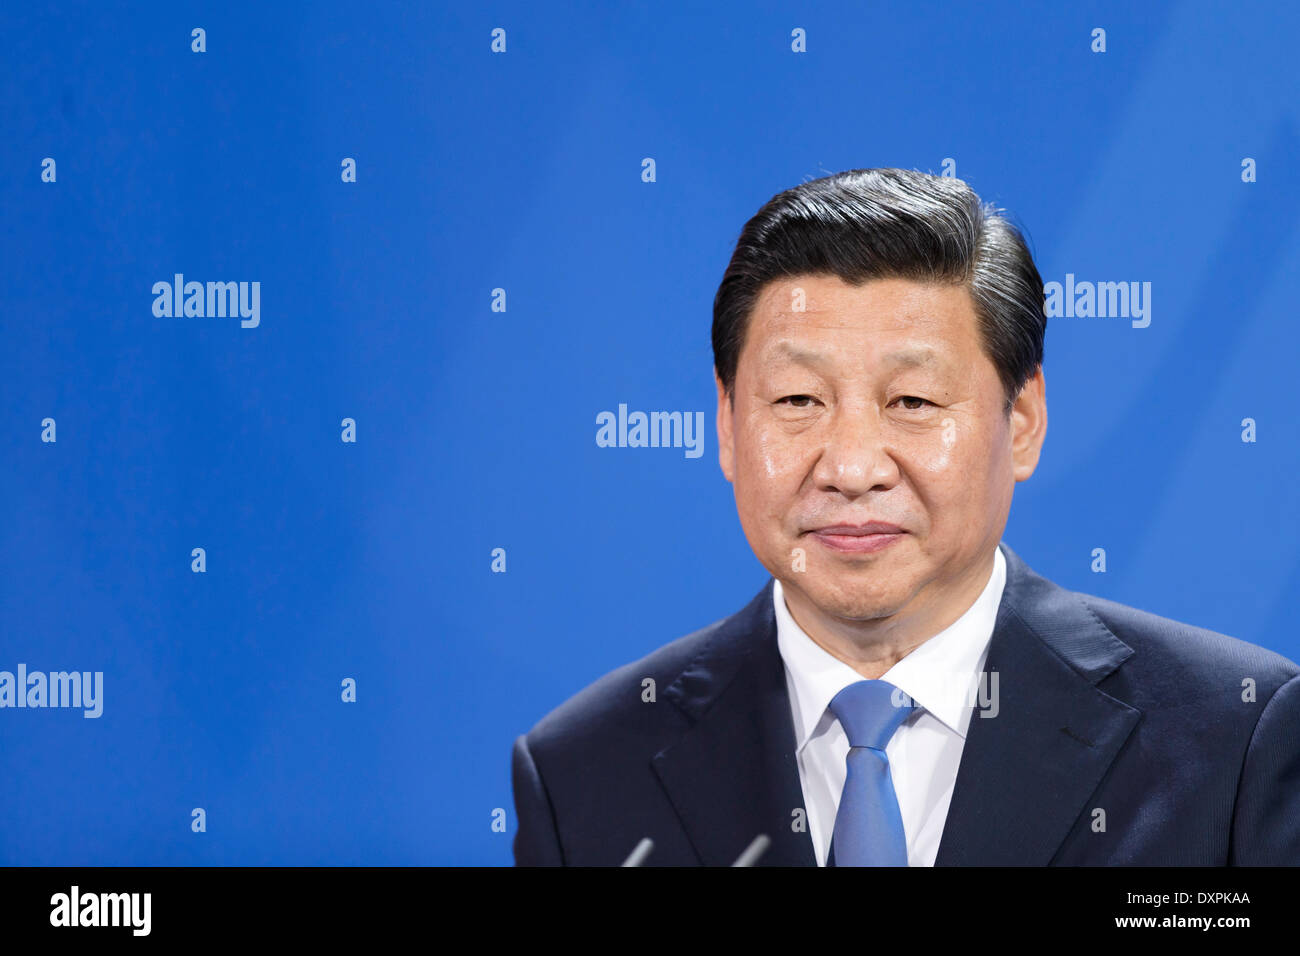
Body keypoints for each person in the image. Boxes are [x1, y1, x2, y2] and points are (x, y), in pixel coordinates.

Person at [511, 168, 1300, 866]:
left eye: (913, 401)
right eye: (798, 400)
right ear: (726, 424)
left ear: (1022, 420)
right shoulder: (584, 772)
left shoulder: (1232, 739)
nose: (853, 468)